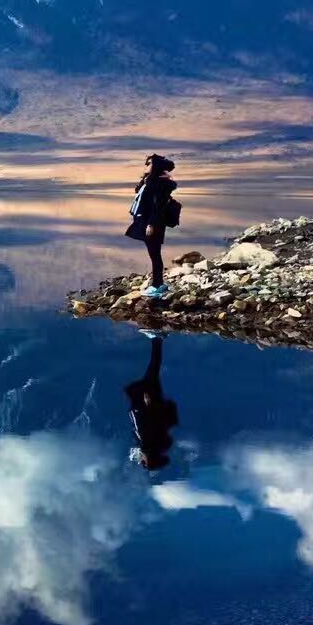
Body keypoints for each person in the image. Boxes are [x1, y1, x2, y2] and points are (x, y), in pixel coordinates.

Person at [125, 332, 179, 471]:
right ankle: (157, 338)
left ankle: (157, 340)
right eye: (144, 462)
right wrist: (145, 406)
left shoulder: (158, 446)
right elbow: (144, 424)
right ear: (148, 460)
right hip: (148, 404)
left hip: (153, 404)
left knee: (153, 371)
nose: (141, 461)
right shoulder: (147, 445)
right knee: (152, 371)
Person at [126, 153, 178, 298]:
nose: (146, 166)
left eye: (149, 163)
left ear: (156, 166)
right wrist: (145, 180)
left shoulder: (159, 185)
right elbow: (139, 193)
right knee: (153, 253)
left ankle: (158, 285)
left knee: (155, 254)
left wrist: (151, 224)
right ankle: (157, 283)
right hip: (147, 220)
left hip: (154, 223)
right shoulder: (151, 181)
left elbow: (158, 207)